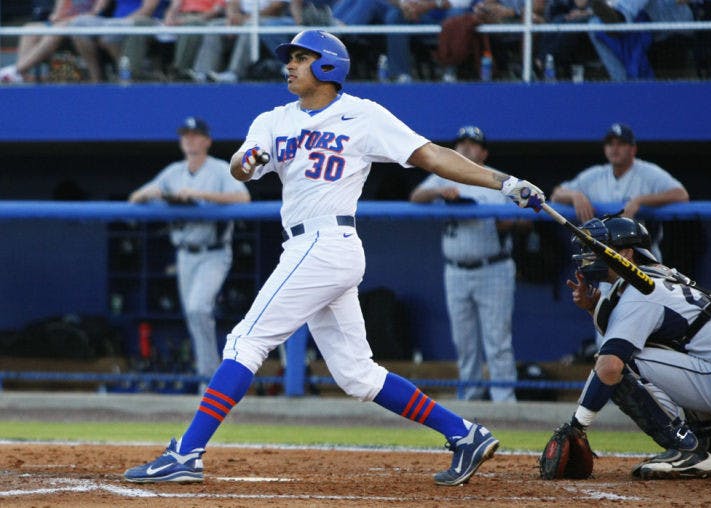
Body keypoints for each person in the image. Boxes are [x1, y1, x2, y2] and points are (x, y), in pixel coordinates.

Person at [123, 29, 544, 486]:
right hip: (312, 248)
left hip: (325, 244)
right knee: (358, 375)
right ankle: (464, 434)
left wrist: (504, 182)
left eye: (301, 58)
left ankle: (187, 452)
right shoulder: (274, 119)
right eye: (291, 58)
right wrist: (249, 160)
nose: (290, 65)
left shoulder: (361, 115)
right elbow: (240, 165)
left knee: (246, 341)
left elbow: (432, 155)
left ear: (327, 66)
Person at [557, 214, 711, 478]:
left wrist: (577, 425)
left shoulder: (640, 293)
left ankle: (688, 449)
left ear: (625, 254)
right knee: (665, 353)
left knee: (622, 361)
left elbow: (610, 367)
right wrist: (593, 308)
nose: (589, 254)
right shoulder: (657, 275)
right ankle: (710, 448)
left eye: (597, 247)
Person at [128, 117, 251, 384]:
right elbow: (135, 198)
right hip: (184, 253)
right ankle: (209, 376)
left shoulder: (219, 170)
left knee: (198, 308)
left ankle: (210, 378)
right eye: (186, 135)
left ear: (207, 141)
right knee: (193, 314)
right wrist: (153, 193)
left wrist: (200, 195)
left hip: (214, 251)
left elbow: (243, 198)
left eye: (196, 135)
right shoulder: (173, 172)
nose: (190, 140)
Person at [409, 125, 519, 402]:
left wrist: (501, 219)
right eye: (462, 143)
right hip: (456, 270)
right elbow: (416, 197)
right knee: (464, 341)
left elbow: (522, 220)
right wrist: (441, 192)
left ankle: (504, 402)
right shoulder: (443, 175)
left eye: (473, 144)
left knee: (497, 341)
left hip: (492, 266)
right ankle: (470, 396)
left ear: (483, 151)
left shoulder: (497, 179)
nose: (466, 148)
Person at [550, 122, 689, 260]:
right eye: (610, 144)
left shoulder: (649, 173)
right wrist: (575, 195)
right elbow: (556, 194)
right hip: (604, 260)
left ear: (633, 149)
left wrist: (641, 200)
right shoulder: (595, 175)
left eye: (621, 143)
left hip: (643, 259)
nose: (615, 149)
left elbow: (681, 195)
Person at [191, 0, 290, 83]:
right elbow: (232, 3)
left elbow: (277, 6)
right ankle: (203, 72)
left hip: (268, 19)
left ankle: (234, 73)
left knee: (249, 27)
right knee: (215, 26)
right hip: (243, 18)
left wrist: (249, 18)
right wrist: (232, 18)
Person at [0, 0, 96, 84]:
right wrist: (56, 18)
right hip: (64, 24)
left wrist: (68, 20)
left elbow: (96, 13)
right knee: (30, 28)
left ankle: (17, 70)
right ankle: (20, 75)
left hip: (87, 25)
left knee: (58, 29)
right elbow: (57, 14)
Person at [69, 0, 165, 82]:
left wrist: (120, 23)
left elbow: (147, 10)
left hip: (144, 21)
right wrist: (93, 14)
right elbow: (99, 6)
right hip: (116, 22)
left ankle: (125, 75)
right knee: (79, 23)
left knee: (111, 31)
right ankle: (96, 78)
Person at [162, 0, 226, 80]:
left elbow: (216, 10)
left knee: (192, 25)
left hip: (206, 19)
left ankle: (180, 69)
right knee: (166, 30)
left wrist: (190, 20)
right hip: (183, 17)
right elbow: (174, 7)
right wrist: (169, 19)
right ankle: (176, 70)